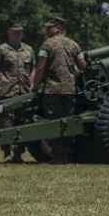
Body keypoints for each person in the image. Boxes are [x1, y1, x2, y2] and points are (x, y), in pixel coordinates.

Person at [31, 16, 87, 164]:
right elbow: (83, 66)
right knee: (67, 123)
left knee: (54, 124)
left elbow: (40, 68)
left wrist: (34, 87)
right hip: (69, 91)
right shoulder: (73, 44)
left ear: (58, 28)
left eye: (49, 27)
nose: (46, 30)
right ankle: (66, 156)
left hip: (53, 91)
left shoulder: (47, 45)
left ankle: (57, 157)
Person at [0, 20, 36, 163]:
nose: (18, 34)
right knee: (6, 124)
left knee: (23, 123)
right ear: (8, 33)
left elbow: (33, 69)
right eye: (15, 32)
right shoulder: (1, 50)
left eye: (20, 32)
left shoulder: (28, 50)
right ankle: (7, 153)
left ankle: (18, 153)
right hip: (6, 93)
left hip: (24, 94)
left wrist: (32, 85)